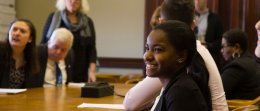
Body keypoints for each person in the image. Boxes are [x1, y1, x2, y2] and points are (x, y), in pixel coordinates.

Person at [123, 0, 228, 110]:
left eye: (158, 49)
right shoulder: (189, 57)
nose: (147, 56)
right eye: (147, 48)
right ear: (193, 24)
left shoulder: (180, 85)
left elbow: (131, 103)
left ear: (162, 22)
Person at [41, 0, 97, 83]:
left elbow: (92, 49)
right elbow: (44, 43)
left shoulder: (88, 22)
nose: (73, 1)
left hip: (80, 69)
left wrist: (92, 72)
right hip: (56, 68)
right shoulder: (53, 18)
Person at [220, 29, 260, 99]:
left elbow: (216, 92)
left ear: (236, 47)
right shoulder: (253, 62)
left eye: (224, 46)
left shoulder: (237, 67)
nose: (222, 50)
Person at [0, 18, 40, 88]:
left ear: (30, 39)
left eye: (22, 31)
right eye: (14, 29)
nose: (17, 33)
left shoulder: (30, 57)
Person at [194, 0, 223, 69]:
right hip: (192, 53)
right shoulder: (188, 16)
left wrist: (207, 45)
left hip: (208, 54)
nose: (197, 2)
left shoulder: (215, 18)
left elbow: (220, 40)